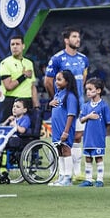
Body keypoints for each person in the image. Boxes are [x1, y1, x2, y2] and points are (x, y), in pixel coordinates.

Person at [44, 26, 88, 181]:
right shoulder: (57, 59)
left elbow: (82, 81)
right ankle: (64, 173)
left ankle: (76, 172)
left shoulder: (83, 59)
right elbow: (48, 81)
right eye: (74, 36)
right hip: (64, 106)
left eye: (78, 36)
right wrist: (55, 99)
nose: (78, 39)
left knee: (77, 137)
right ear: (66, 40)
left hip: (79, 105)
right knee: (63, 140)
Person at [77, 78, 110, 188]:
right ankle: (88, 179)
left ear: (98, 90)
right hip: (88, 137)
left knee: (98, 157)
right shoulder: (85, 106)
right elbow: (81, 119)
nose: (87, 92)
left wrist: (104, 134)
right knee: (88, 158)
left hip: (98, 137)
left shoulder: (104, 106)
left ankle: (100, 179)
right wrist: (89, 116)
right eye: (86, 89)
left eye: (90, 89)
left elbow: (109, 122)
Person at [0, 98, 31, 176]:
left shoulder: (25, 118)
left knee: (6, 142)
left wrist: (15, 126)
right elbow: (1, 127)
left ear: (24, 110)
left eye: (18, 107)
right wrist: (7, 121)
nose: (14, 108)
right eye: (13, 106)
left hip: (19, 139)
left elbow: (22, 130)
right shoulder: (12, 119)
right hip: (9, 138)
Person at [48, 70, 80, 187]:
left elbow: (71, 115)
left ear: (67, 82)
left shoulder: (70, 96)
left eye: (59, 79)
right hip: (56, 129)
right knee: (59, 151)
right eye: (56, 79)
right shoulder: (58, 94)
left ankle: (68, 177)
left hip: (64, 129)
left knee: (66, 150)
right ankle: (61, 176)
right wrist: (50, 104)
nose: (56, 82)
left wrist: (66, 131)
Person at [0, 35, 39, 122]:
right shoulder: (5, 63)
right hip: (12, 101)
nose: (15, 47)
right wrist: (23, 76)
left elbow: (32, 86)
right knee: (10, 131)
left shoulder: (29, 63)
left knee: (28, 131)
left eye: (17, 44)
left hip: (27, 101)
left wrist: (36, 106)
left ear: (23, 46)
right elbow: (8, 86)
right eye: (12, 44)